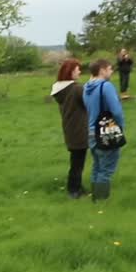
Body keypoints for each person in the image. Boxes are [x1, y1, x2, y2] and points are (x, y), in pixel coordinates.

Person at [83, 59, 125, 202]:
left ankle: (95, 198)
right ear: (102, 70)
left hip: (91, 131)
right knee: (106, 169)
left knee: (97, 166)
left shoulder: (86, 87)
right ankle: (101, 201)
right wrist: (120, 126)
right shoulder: (106, 86)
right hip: (106, 132)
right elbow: (116, 111)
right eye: (109, 68)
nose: (112, 71)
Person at [50, 59, 89, 199]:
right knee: (77, 163)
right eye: (77, 69)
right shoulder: (76, 89)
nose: (79, 71)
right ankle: (73, 190)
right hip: (79, 129)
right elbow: (89, 103)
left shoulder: (60, 90)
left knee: (76, 161)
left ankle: (78, 187)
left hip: (70, 129)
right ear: (71, 71)